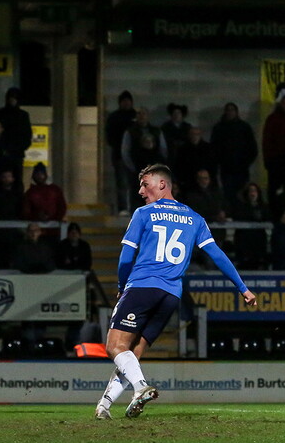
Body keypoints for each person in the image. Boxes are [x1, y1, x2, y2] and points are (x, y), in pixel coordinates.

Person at [94, 164, 257, 420]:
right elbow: (218, 255)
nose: (140, 190)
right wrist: (243, 288)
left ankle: (140, 388)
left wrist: (121, 286)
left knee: (115, 347)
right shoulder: (195, 218)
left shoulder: (143, 213)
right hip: (171, 296)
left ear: (162, 184)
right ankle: (104, 406)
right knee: (132, 354)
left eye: (144, 183)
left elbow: (126, 257)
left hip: (142, 286)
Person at [210, 102, 258, 207]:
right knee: (228, 194)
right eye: (228, 110)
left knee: (242, 193)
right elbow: (214, 149)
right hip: (226, 169)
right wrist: (219, 162)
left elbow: (252, 148)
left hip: (241, 169)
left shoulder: (244, 127)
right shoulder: (219, 128)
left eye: (232, 110)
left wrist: (245, 163)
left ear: (236, 112)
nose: (230, 112)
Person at [105, 90, 138, 215]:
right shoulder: (114, 117)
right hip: (119, 156)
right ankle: (123, 208)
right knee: (122, 183)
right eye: (124, 101)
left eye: (128, 101)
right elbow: (110, 137)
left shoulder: (136, 116)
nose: (126, 103)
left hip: (135, 157)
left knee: (136, 184)